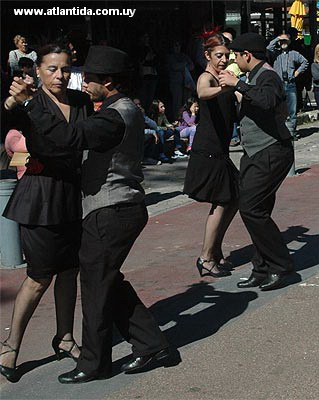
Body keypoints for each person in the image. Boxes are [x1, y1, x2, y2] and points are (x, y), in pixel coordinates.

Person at [7, 45, 171, 383]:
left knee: (95, 286)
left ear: (107, 82)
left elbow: (68, 138)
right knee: (104, 280)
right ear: (38, 70)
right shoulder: (115, 107)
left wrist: (27, 106)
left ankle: (94, 363)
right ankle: (152, 342)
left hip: (111, 208)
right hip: (73, 203)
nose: (74, 80)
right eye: (54, 69)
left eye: (87, 76)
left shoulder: (110, 114)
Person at [1, 43, 92, 383]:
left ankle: (65, 338)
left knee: (69, 271)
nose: (60, 75)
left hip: (72, 194)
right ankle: (11, 346)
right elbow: (7, 120)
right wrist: (13, 101)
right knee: (39, 276)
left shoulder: (81, 102)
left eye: (65, 68)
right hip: (39, 198)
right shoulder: (29, 102)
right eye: (52, 68)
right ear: (37, 70)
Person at [219, 32, 294, 291]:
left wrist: (238, 85)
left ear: (246, 55)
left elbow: (267, 100)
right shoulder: (254, 76)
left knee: (251, 208)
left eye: (235, 56)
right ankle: (261, 268)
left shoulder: (268, 75)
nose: (233, 61)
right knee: (257, 210)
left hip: (272, 151)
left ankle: (281, 265)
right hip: (255, 152)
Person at [183, 30, 238, 278]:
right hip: (208, 150)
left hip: (220, 150)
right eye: (219, 55)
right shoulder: (207, 77)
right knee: (222, 201)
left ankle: (214, 251)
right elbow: (202, 92)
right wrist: (225, 89)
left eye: (227, 55)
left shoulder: (226, 76)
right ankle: (206, 257)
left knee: (235, 197)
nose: (224, 60)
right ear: (207, 55)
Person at [267, 32, 308, 139]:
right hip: (278, 85)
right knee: (278, 109)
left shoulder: (294, 53)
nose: (283, 43)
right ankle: (280, 131)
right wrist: (278, 38)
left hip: (290, 84)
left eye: (285, 41)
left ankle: (292, 132)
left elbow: (305, 62)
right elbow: (268, 48)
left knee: (292, 111)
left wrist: (297, 72)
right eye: (282, 41)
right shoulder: (275, 53)